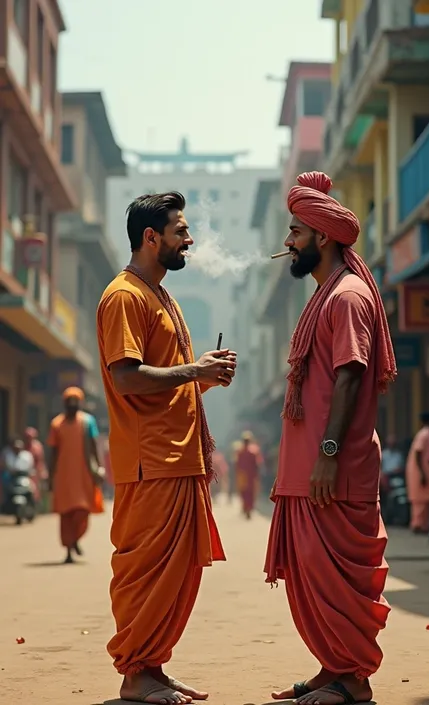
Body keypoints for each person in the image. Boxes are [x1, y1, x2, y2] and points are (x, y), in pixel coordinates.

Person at [96, 191, 237, 704]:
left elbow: (164, 384)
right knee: (146, 575)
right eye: (180, 230)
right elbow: (128, 379)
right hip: (148, 461)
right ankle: (136, 674)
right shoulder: (124, 296)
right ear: (151, 238)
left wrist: (203, 378)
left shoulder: (162, 296)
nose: (190, 239)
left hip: (177, 458)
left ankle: (152, 666)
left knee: (175, 576)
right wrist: (196, 370)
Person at [265, 172, 397, 705]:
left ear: (322, 236)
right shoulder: (326, 293)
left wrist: (326, 454)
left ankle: (352, 680)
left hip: (332, 470)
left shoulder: (344, 296)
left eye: (295, 231)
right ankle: (333, 667)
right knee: (313, 578)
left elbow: (349, 373)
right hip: (313, 471)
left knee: (334, 580)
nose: (288, 242)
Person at [47, 387, 105, 564]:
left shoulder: (88, 422)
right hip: (63, 476)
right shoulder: (56, 424)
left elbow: (94, 445)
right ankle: (69, 550)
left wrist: (99, 466)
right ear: (64, 404)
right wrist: (50, 476)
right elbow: (53, 451)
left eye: (75, 402)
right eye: (69, 402)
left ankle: (75, 540)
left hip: (83, 475)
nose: (72, 406)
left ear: (80, 404)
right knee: (66, 516)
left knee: (82, 511)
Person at [406, 413, 429, 533]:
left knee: (425, 501)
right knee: (420, 501)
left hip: (425, 472)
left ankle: (423, 525)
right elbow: (418, 453)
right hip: (420, 472)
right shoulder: (424, 434)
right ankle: (418, 525)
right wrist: (422, 473)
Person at [236, 431, 263, 519]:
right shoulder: (254, 451)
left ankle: (246, 508)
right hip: (250, 476)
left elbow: (237, 464)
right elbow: (257, 465)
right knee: (249, 493)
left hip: (244, 476)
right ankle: (248, 508)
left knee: (245, 493)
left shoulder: (240, 451)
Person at [23, 427, 48, 507]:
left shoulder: (37, 446)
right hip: (25, 471)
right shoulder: (23, 446)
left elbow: (40, 460)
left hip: (36, 471)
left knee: (37, 490)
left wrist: (41, 472)